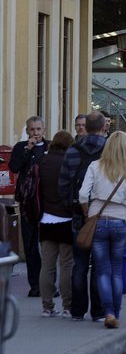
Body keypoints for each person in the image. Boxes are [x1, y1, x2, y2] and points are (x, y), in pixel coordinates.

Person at [77, 132, 126, 329]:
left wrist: (88, 212)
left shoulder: (95, 166)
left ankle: (107, 312)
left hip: (98, 220)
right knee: (116, 271)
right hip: (120, 222)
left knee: (102, 271)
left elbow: (82, 194)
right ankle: (116, 311)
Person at [58, 111, 107, 322]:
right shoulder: (108, 150)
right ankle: (98, 311)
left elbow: (63, 184)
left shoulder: (72, 150)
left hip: (79, 214)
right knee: (98, 264)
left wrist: (72, 206)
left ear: (85, 127)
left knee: (79, 264)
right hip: (103, 213)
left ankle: (77, 310)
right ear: (103, 126)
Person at [37, 130, 75, 316]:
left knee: (47, 265)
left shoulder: (43, 161)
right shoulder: (68, 161)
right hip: (66, 218)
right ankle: (67, 306)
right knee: (66, 264)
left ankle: (47, 306)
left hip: (46, 218)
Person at [10, 115, 48, 297]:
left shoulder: (51, 148)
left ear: (44, 130)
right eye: (32, 130)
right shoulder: (20, 148)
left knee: (48, 247)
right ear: (27, 131)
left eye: (38, 129)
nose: (36, 133)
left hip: (48, 204)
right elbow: (14, 167)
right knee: (31, 246)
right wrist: (27, 150)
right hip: (27, 204)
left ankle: (49, 285)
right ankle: (35, 285)